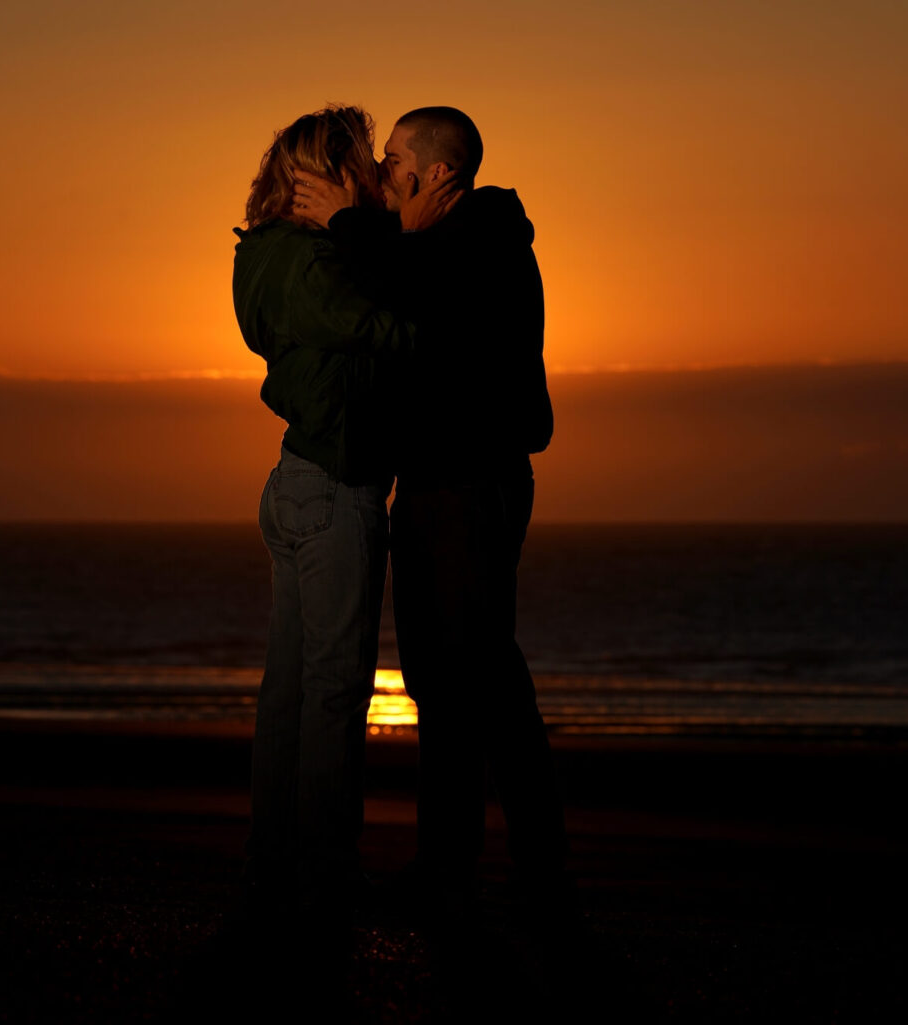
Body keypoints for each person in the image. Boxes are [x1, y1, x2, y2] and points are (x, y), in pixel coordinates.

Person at [293, 107, 571, 930]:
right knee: (449, 688)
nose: (383, 174)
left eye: (393, 162)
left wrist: (342, 219)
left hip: (469, 491)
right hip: (439, 487)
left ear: (438, 175)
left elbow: (421, 283)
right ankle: (457, 870)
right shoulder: (450, 245)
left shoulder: (484, 243)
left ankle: (530, 874)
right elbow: (408, 278)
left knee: (481, 685)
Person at [229, 104, 458, 952]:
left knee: (288, 695)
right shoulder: (316, 265)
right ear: (325, 173)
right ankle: (320, 873)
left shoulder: (262, 257)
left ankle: (273, 866)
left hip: (294, 482)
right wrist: (393, 240)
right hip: (336, 489)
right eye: (360, 160)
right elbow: (400, 330)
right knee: (330, 698)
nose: (373, 171)